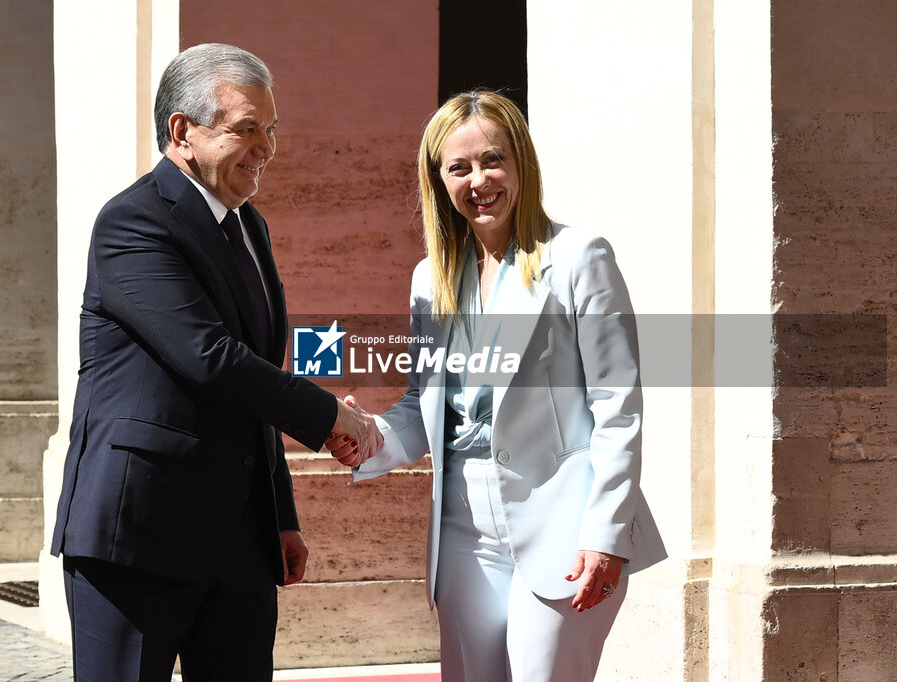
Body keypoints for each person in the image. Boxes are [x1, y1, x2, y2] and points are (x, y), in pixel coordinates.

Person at [50, 43, 378, 682]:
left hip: (238, 546)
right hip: (138, 535)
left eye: (271, 131)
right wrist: (332, 415)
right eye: (247, 129)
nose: (266, 148)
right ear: (183, 132)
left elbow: (252, 380)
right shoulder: (132, 222)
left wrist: (278, 516)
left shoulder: (250, 226)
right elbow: (211, 360)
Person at [329, 90, 667, 681]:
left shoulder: (579, 257)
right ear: (439, 180)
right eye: (458, 167)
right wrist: (366, 435)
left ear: (521, 164)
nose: (478, 180)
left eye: (493, 160)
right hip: (462, 533)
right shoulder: (429, 279)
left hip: (567, 527)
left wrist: (607, 534)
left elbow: (618, 408)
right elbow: (426, 407)